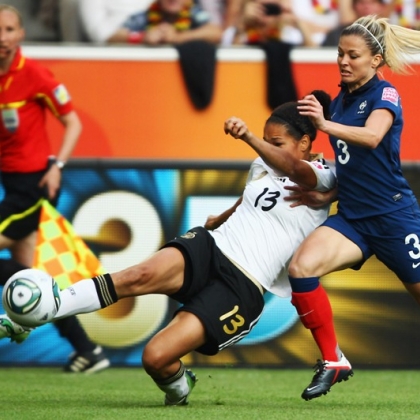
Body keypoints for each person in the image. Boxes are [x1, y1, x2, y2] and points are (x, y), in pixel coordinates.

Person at [2, 90, 336, 404]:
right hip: (213, 246)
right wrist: (221, 217)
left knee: (156, 358)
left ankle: (178, 384)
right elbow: (252, 200)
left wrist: (249, 138)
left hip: (244, 284)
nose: (267, 147)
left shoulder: (326, 176)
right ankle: (33, 316)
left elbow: (303, 172)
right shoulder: (263, 164)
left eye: (275, 142)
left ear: (305, 143)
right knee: (136, 275)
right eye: (265, 140)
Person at [286, 14, 420, 401]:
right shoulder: (343, 97)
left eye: (353, 55)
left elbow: (373, 137)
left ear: (375, 60)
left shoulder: (385, 94)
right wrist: (330, 195)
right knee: (302, 268)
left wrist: (325, 126)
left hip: (394, 217)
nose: (344, 61)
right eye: (340, 54)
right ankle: (333, 359)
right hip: (354, 218)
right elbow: (352, 160)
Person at [0, 4, 109, 373]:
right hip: (11, 183)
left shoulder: (34, 75)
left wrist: (57, 165)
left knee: (21, 274)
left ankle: (15, 319)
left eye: (10, 29)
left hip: (34, 188)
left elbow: (72, 122)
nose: (2, 38)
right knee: (32, 279)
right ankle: (88, 351)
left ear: (21, 34)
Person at [107, 0, 222, 45]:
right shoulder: (145, 15)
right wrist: (143, 37)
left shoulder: (193, 13)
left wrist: (178, 37)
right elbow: (112, 36)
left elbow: (216, 33)